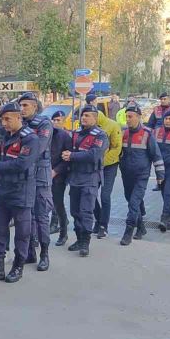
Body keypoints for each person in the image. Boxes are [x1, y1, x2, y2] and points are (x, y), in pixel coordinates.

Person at [0, 102, 39, 284]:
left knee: (22, 232)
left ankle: (18, 266)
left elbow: (22, 164)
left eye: (7, 119)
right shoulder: (7, 136)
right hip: (3, 190)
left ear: (18, 118)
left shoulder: (30, 139)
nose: (4, 123)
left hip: (21, 192)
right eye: (3, 119)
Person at [63, 105, 109, 257]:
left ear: (95, 118)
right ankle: (78, 238)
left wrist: (72, 156)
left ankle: (85, 242)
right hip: (75, 177)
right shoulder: (75, 133)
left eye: (88, 115)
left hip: (90, 177)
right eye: (83, 115)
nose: (84, 118)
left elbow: (94, 155)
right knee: (75, 211)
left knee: (86, 211)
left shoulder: (100, 135)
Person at [119, 105, 164, 246]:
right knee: (131, 200)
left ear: (138, 117)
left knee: (133, 203)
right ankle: (142, 228)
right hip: (126, 174)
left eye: (130, 116)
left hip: (141, 175)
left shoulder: (147, 134)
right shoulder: (124, 133)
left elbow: (156, 155)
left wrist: (160, 174)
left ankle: (128, 232)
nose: (127, 119)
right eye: (126, 116)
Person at [19, 92, 53, 269]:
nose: (22, 109)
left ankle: (45, 254)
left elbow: (38, 148)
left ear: (34, 106)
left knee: (41, 217)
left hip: (40, 176)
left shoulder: (44, 123)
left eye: (26, 105)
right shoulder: (20, 125)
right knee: (27, 217)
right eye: (21, 105)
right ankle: (30, 252)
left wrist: (21, 156)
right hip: (25, 177)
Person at [91, 109, 123, 239]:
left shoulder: (112, 125)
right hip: (94, 166)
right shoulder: (88, 127)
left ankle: (104, 226)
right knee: (91, 194)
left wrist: (103, 161)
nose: (84, 118)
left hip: (109, 165)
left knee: (105, 196)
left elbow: (117, 147)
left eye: (88, 116)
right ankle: (98, 221)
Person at [50, 111, 72, 247]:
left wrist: (56, 171)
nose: (56, 122)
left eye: (59, 120)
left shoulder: (65, 136)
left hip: (58, 176)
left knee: (58, 205)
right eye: (54, 120)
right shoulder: (46, 134)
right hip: (43, 175)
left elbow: (68, 159)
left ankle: (63, 232)